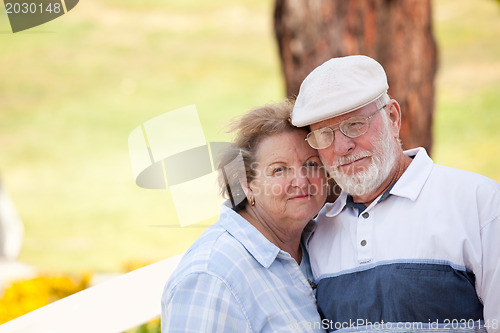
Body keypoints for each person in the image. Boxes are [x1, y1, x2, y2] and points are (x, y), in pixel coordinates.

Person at [291, 55, 500, 332]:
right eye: (324, 134)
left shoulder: (479, 203)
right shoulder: (316, 232)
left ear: (393, 118)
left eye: (355, 124)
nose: (342, 147)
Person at [161, 99, 329, 332]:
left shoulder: (320, 242)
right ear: (247, 184)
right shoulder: (212, 276)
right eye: (279, 169)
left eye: (311, 164)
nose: (301, 181)